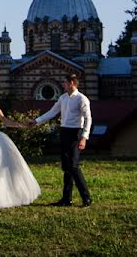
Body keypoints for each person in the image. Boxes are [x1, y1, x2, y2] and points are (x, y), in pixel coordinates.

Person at [32, 74, 92, 207]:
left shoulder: (82, 99)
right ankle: (66, 199)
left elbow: (88, 119)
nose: (63, 84)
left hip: (76, 133)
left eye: (65, 82)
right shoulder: (63, 98)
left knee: (74, 166)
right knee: (67, 167)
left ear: (71, 83)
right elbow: (52, 112)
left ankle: (86, 198)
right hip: (64, 132)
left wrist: (84, 137)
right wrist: (36, 121)